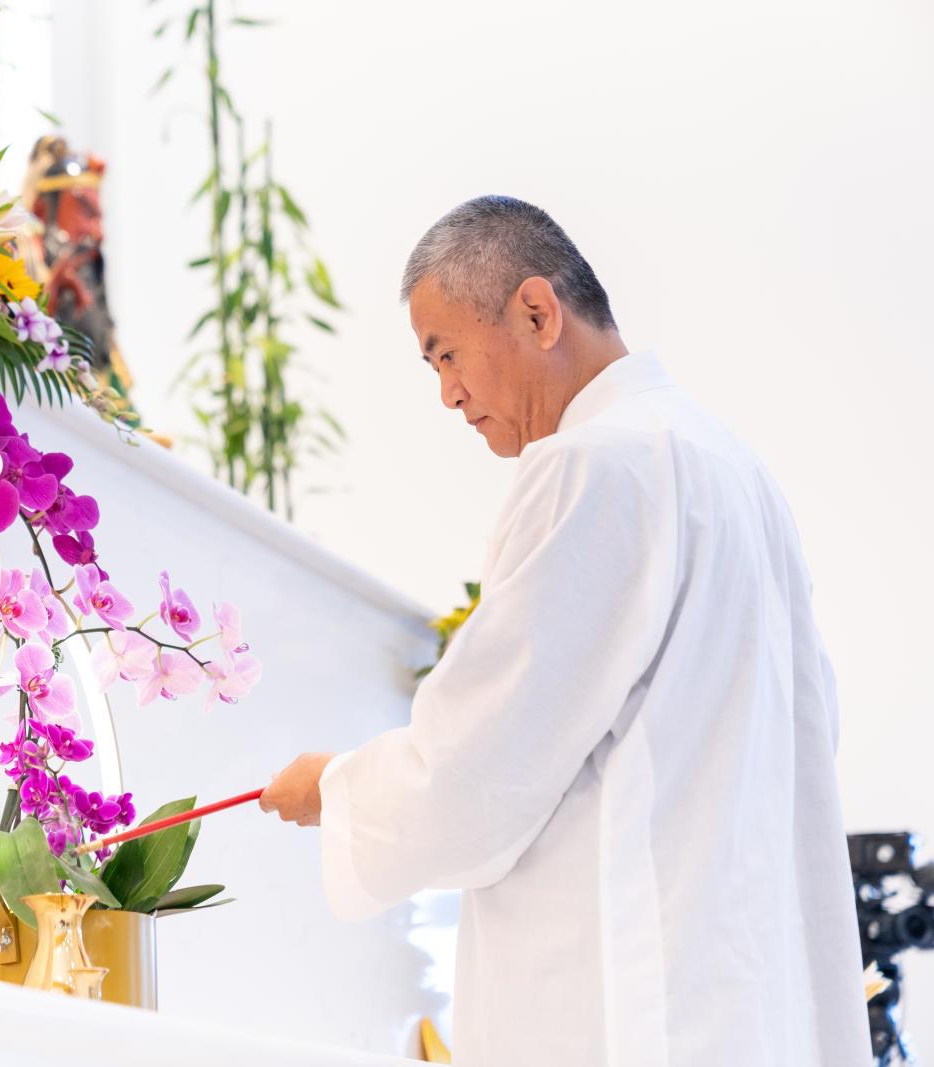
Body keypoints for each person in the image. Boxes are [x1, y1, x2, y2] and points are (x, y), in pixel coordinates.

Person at [259, 196, 869, 1065]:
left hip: (635, 1009)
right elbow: (811, 725)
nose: (448, 394)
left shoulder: (592, 466)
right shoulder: (734, 470)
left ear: (537, 312)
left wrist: (336, 787)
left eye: (446, 353)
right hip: (740, 999)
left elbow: (475, 773)